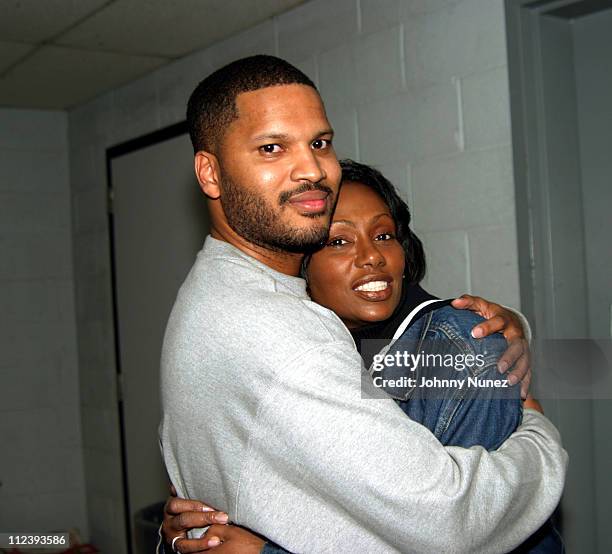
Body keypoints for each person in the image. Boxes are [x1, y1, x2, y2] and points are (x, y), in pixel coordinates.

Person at [159, 55, 567, 553]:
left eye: (320, 143)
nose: (311, 169)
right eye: (272, 148)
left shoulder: (211, 295)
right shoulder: (281, 335)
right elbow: (449, 523)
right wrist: (538, 430)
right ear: (211, 173)